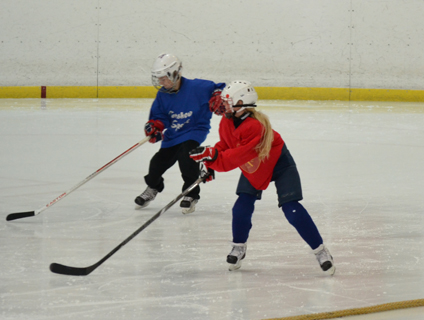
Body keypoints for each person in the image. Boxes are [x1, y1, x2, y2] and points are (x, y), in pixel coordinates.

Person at [189, 80, 335, 275]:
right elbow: (226, 145)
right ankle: (238, 247)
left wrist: (214, 158)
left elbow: (235, 157)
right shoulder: (227, 121)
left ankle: (321, 251)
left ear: (241, 104)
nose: (222, 105)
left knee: (291, 209)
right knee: (241, 206)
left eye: (227, 101)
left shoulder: (255, 127)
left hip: (278, 163)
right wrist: (210, 162)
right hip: (255, 166)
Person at [135, 53, 225, 214]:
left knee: (187, 157)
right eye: (159, 79)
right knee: (156, 163)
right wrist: (156, 126)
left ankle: (191, 194)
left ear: (175, 73)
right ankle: (154, 187)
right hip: (174, 135)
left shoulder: (198, 87)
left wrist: (218, 94)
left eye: (164, 78)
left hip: (195, 130)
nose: (161, 82)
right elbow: (160, 116)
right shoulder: (163, 95)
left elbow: (221, 88)